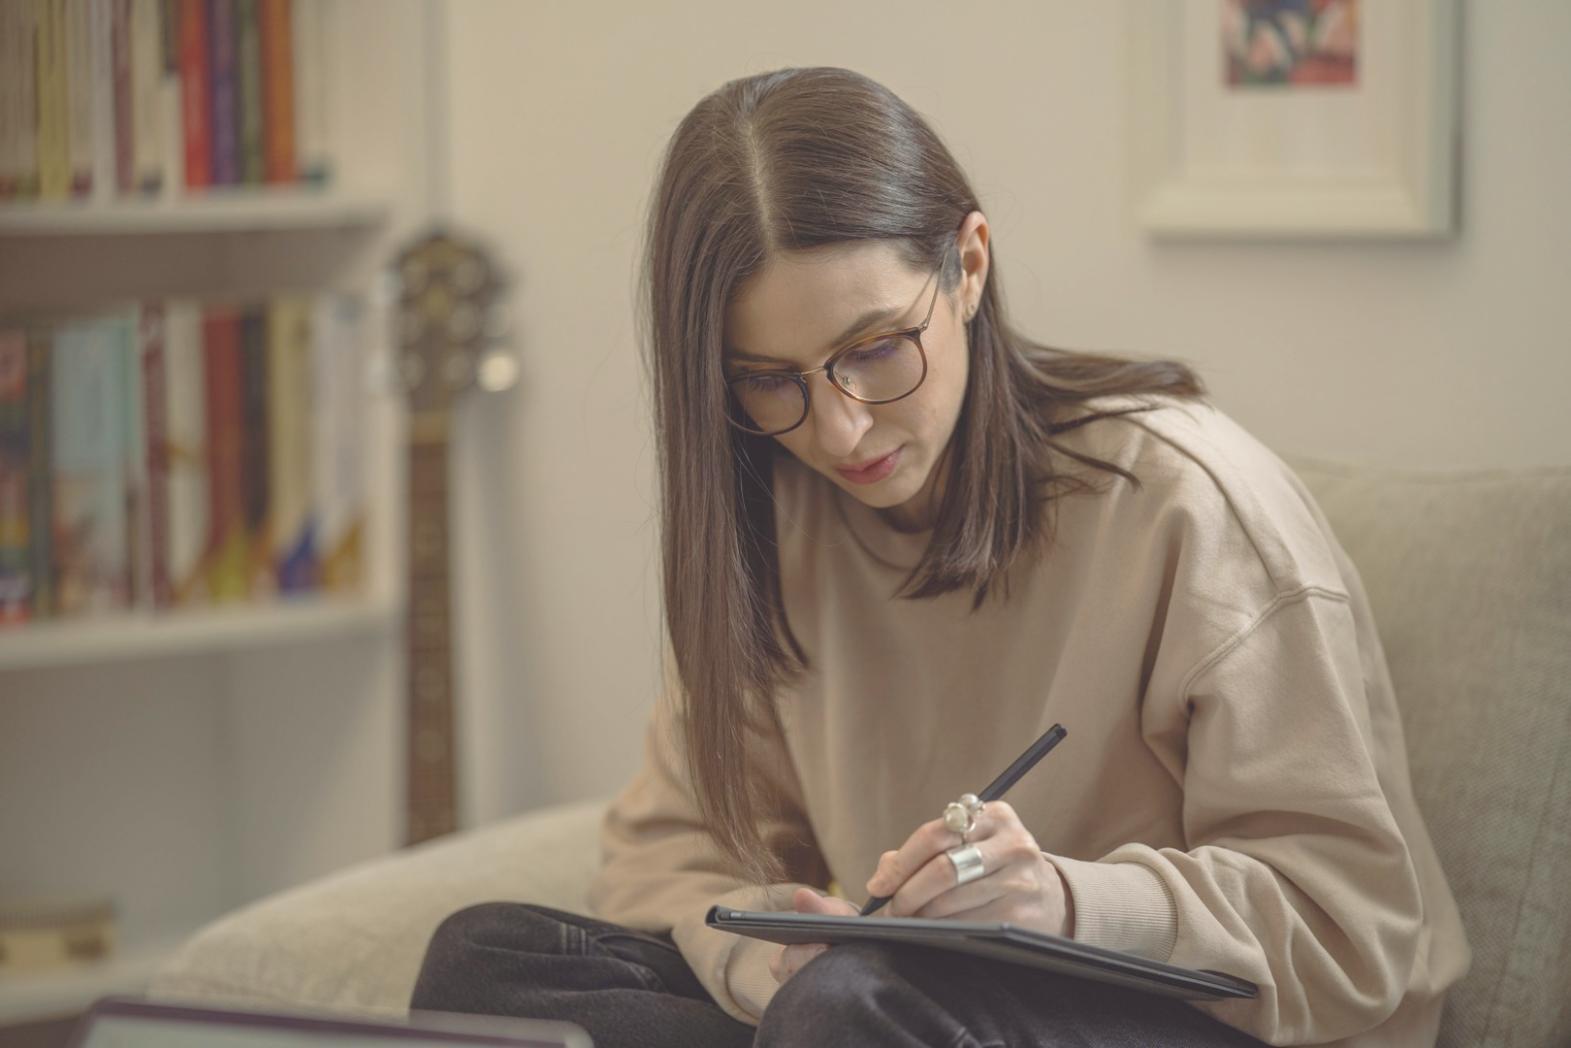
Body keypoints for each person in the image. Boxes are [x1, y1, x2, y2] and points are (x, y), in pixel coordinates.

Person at [410, 66, 1470, 1047]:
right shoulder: (777, 516)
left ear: (966, 265)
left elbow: (1360, 924)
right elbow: (664, 851)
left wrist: (1059, 901)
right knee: (488, 958)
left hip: (1181, 1018)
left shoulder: (1183, 506)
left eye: (874, 350)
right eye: (769, 379)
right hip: (876, 1016)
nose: (839, 430)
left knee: (854, 1004)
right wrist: (750, 950)